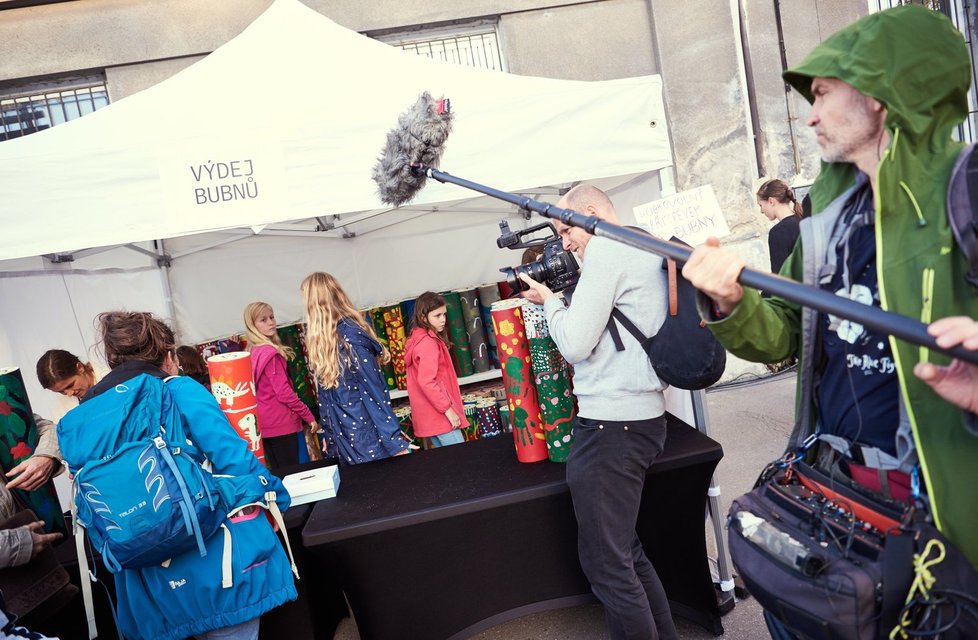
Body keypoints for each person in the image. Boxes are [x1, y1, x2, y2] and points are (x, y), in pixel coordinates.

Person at [680, 5, 978, 633]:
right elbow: (785, 331)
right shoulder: (825, 227)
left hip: (947, 524)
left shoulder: (967, 192)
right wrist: (733, 303)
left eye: (822, 93)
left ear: (881, 93)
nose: (809, 114)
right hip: (835, 498)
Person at [62, 311, 296, 640]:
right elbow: (235, 462)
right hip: (213, 567)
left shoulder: (87, 418)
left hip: (144, 583)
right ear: (169, 356)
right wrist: (276, 494)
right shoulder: (178, 390)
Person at [520, 184, 676, 640]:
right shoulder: (639, 240)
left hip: (611, 426)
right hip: (639, 419)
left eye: (566, 230)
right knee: (625, 551)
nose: (564, 242)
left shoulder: (607, 252)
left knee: (608, 565)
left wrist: (549, 303)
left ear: (591, 213)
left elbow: (573, 344)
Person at [300, 272, 411, 464]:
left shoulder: (351, 338)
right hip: (346, 438)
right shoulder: (325, 342)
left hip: (368, 438)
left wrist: (393, 441)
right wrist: (329, 435)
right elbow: (325, 396)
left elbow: (374, 392)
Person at [243, 302, 320, 472]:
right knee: (294, 475)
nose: (271, 322)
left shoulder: (251, 352)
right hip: (282, 424)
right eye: (263, 320)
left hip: (264, 425)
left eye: (271, 317)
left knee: (280, 475)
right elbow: (284, 393)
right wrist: (308, 415)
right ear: (252, 325)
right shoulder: (271, 354)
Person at [404, 292, 466, 447]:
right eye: (437, 316)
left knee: (447, 464)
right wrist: (448, 410)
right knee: (463, 461)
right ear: (424, 317)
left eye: (444, 314)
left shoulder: (417, 339)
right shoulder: (428, 343)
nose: (443, 319)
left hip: (429, 416)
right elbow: (427, 381)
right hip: (441, 416)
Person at [755, 178, 802, 275]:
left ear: (771, 201)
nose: (761, 211)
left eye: (761, 205)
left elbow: (780, 277)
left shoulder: (778, 232)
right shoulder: (803, 220)